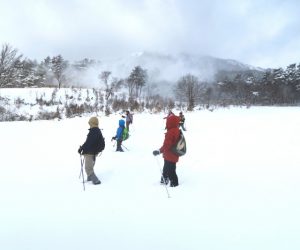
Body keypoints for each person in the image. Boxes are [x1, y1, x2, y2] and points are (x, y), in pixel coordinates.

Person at [153, 115, 181, 187]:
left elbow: (166, 145)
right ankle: (164, 179)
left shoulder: (171, 132)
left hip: (170, 155)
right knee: (166, 168)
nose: (166, 123)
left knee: (170, 171)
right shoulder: (176, 130)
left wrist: (159, 151)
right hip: (173, 155)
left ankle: (174, 184)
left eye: (167, 122)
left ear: (170, 122)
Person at [78, 117, 103, 185]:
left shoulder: (94, 131)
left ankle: (96, 180)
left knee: (88, 168)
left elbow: (89, 142)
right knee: (90, 165)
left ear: (92, 123)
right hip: (94, 152)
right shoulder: (97, 130)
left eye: (90, 123)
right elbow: (89, 142)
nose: (89, 124)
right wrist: (82, 148)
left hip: (90, 152)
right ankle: (89, 177)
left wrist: (82, 148)